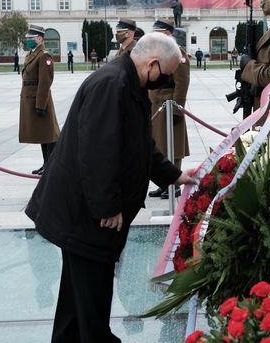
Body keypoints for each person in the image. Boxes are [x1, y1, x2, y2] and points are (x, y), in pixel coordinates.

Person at [24, 32, 193, 343]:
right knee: (93, 301)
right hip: (85, 214)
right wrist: (108, 207)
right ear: (152, 64)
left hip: (85, 211)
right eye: (165, 74)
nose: (165, 80)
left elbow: (139, 144)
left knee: (77, 300)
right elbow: (97, 152)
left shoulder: (129, 82)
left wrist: (174, 175)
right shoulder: (112, 84)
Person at [147, 20, 191, 199]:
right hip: (156, 104)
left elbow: (182, 83)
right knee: (159, 145)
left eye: (158, 33)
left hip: (169, 104)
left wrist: (177, 109)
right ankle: (164, 183)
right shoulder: (160, 52)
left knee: (172, 146)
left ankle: (175, 185)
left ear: (166, 33)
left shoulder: (176, 52)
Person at [20, 24, 60, 176]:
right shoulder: (32, 54)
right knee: (43, 135)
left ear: (39, 38)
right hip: (31, 99)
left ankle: (52, 165)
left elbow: (45, 82)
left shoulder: (44, 56)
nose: (28, 40)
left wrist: (40, 104)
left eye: (30, 38)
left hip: (39, 100)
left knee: (49, 136)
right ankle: (46, 164)